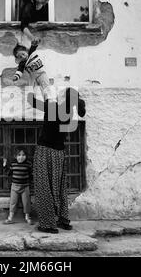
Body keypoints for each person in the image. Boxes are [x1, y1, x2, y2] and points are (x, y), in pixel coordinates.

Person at [27, 88, 86, 234]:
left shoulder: (52, 107)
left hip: (45, 151)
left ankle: (48, 224)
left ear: (63, 98)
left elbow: (31, 101)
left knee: (43, 187)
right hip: (59, 153)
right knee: (59, 188)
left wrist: (32, 85)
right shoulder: (70, 114)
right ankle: (63, 220)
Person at [3, 148, 34, 225]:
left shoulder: (28, 164)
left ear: (26, 156)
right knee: (13, 202)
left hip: (25, 186)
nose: (21, 157)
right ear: (15, 156)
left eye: (23, 155)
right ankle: (10, 218)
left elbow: (31, 174)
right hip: (14, 186)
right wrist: (4, 166)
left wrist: (31, 182)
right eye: (19, 155)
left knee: (26, 202)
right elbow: (8, 173)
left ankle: (27, 217)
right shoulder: (13, 164)